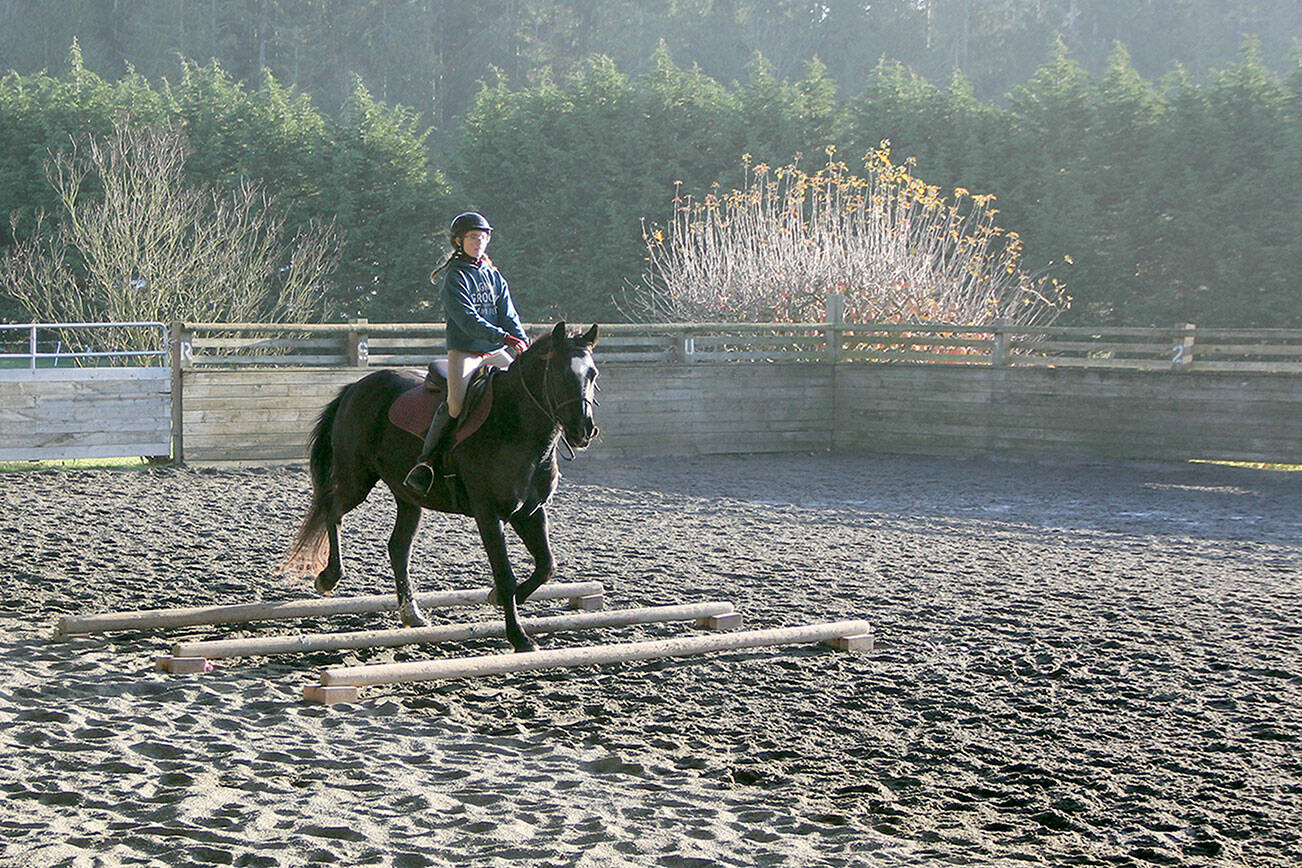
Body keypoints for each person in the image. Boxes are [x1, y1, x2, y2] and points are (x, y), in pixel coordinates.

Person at [404, 211, 529, 492]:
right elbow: (467, 319)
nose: (479, 242)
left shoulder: (493, 275)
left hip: (495, 351)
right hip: (466, 352)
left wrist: (521, 341)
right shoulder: (455, 276)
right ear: (459, 241)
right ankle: (425, 462)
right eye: (473, 237)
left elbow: (509, 314)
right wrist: (503, 336)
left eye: (483, 237)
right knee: (456, 404)